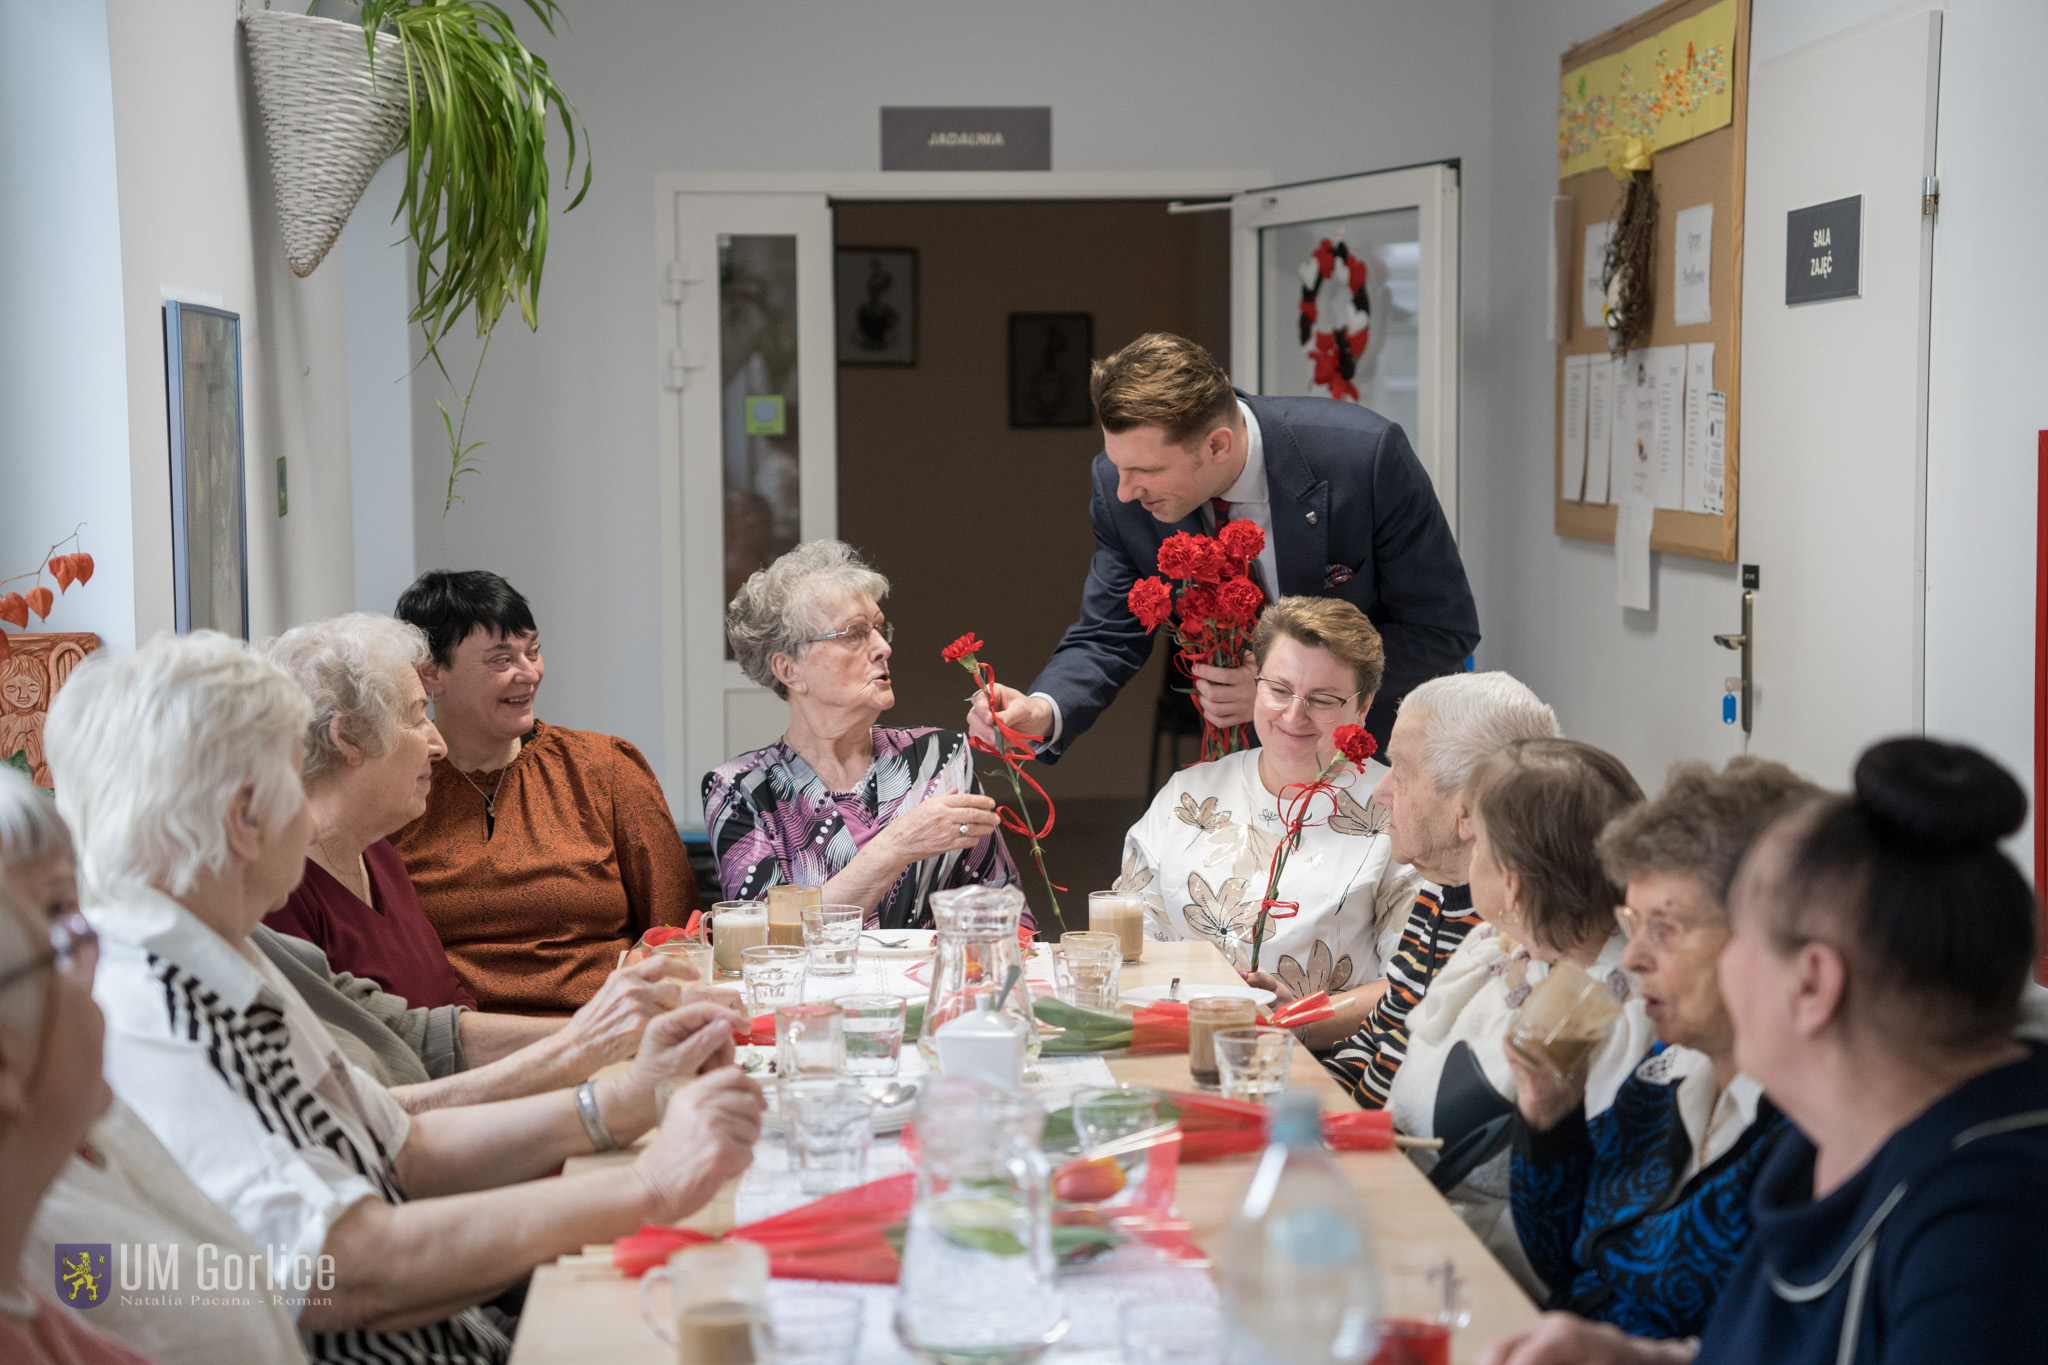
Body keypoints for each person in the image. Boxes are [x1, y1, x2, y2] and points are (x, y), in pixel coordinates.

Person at [46, 632, 763, 1365]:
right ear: (244, 816)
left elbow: (402, 1144)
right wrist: (647, 1182)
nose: (312, 806)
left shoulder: (223, 953)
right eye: (297, 778)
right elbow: (350, 1271)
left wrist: (624, 1102)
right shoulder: (159, 1006)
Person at [1480, 738, 2048, 1365]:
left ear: (1811, 984)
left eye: (1741, 933)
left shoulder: (1988, 1217)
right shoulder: (1830, 1141)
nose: (1637, 956)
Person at [967, 331, 1478, 760]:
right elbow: (1108, 633)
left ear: (1217, 446)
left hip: (1377, 756)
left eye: (1145, 471)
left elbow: (1441, 630)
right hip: (1240, 770)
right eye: (1117, 465)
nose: (1124, 490)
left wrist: (1281, 686)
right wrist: (1041, 711)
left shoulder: (1363, 460)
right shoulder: (1119, 489)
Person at [0, 768, 308, 1362]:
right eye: (36, 934)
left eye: (67, 904)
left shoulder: (97, 1122)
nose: (78, 951)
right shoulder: (32, 1216)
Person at [1505, 757, 1816, 1340]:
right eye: (1632, 920)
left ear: (1772, 933)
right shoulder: (1666, 1074)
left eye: (1665, 929)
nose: (1632, 956)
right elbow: (1566, 1260)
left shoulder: (1813, 1133)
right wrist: (1550, 1117)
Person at [1387, 738, 1652, 1292]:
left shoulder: (1601, 1009)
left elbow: (1581, 1215)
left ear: (1512, 882)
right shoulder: (1499, 943)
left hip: (1486, 1283)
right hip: (1410, 1228)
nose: (1465, 844)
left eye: (1477, 839)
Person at [390, 570, 702, 1013]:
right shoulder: (396, 788)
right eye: (501, 660)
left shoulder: (605, 767)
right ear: (431, 674)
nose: (528, 673)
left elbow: (677, 928)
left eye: (532, 651)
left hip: (605, 1033)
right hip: (460, 1048)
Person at [1117, 597, 1415, 1021]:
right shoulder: (1187, 796)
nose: (1294, 715)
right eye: (1278, 690)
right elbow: (1128, 946)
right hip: (1178, 1038)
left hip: (1324, 1061)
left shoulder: (1393, 811)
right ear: (1256, 682)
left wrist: (1297, 1018)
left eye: (1323, 699)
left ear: (1363, 708)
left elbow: (1410, 982)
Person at [704, 540, 1021, 929]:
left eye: (879, 628)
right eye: (854, 633)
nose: (883, 647)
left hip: (933, 987)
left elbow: (1005, 911)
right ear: (789, 670)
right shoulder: (741, 790)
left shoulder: (939, 757)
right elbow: (761, 942)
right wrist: (895, 847)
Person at [1321, 672, 1561, 1101]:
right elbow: (1377, 1037)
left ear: (1467, 806)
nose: (1380, 792)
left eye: (1402, 772)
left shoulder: (1517, 936)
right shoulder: (1438, 889)